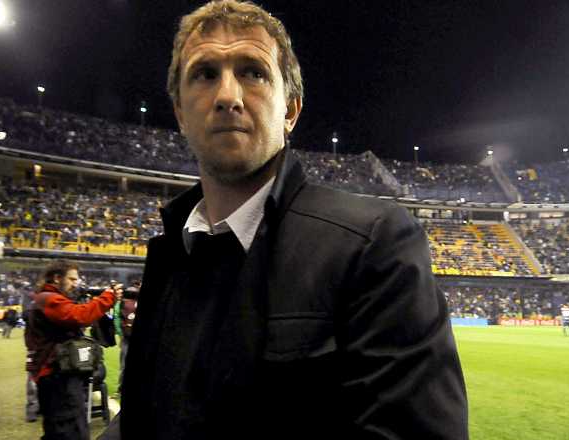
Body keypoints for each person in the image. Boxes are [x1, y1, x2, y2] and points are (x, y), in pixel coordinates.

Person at [102, 2, 467, 438]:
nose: (228, 97)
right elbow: (142, 417)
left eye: (253, 73)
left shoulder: (372, 243)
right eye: (205, 74)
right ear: (180, 112)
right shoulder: (170, 255)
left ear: (290, 110)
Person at [26, 261, 117, 440]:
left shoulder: (45, 298)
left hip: (55, 375)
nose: (76, 283)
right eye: (72, 279)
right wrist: (107, 298)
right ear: (57, 278)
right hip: (57, 377)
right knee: (71, 431)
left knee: (57, 431)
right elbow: (79, 316)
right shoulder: (49, 298)